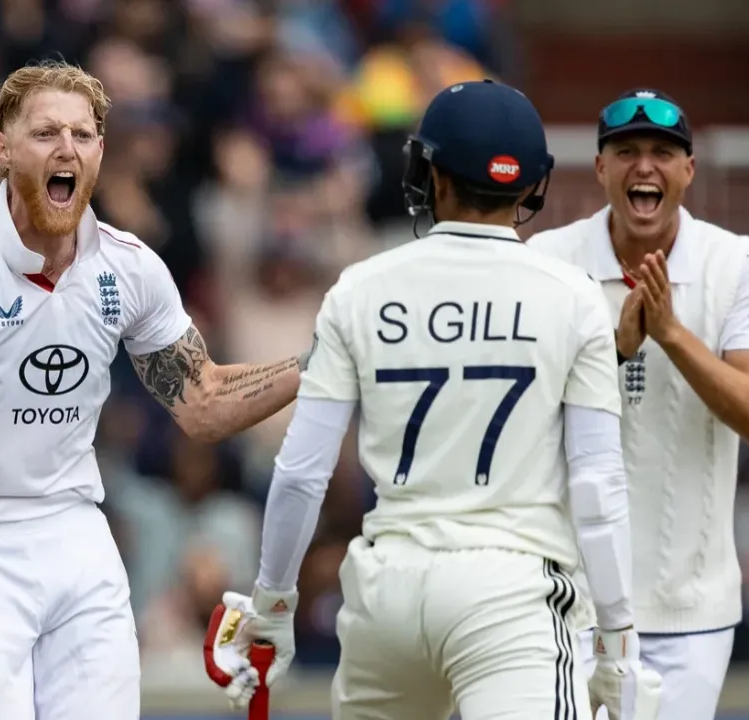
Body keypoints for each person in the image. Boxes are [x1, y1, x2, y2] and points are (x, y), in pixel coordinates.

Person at [0, 61, 306, 720]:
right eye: (44, 133)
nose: (67, 148)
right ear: (1, 148)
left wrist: (328, 361)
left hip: (76, 536)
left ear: (100, 150)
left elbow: (205, 402)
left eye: (84, 134)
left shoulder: (129, 267)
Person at [206, 80, 661, 720]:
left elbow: (302, 473)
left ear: (430, 174)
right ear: (534, 185)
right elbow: (596, 483)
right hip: (513, 593)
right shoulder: (574, 295)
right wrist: (617, 639)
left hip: (385, 591)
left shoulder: (359, 288)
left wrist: (273, 600)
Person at [530, 89, 749, 720]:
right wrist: (612, 352)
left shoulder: (739, 262)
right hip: (569, 601)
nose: (645, 167)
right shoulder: (547, 262)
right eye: (626, 152)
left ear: (688, 171)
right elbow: (520, 420)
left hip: (690, 610)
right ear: (600, 168)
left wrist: (670, 334)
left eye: (662, 154)